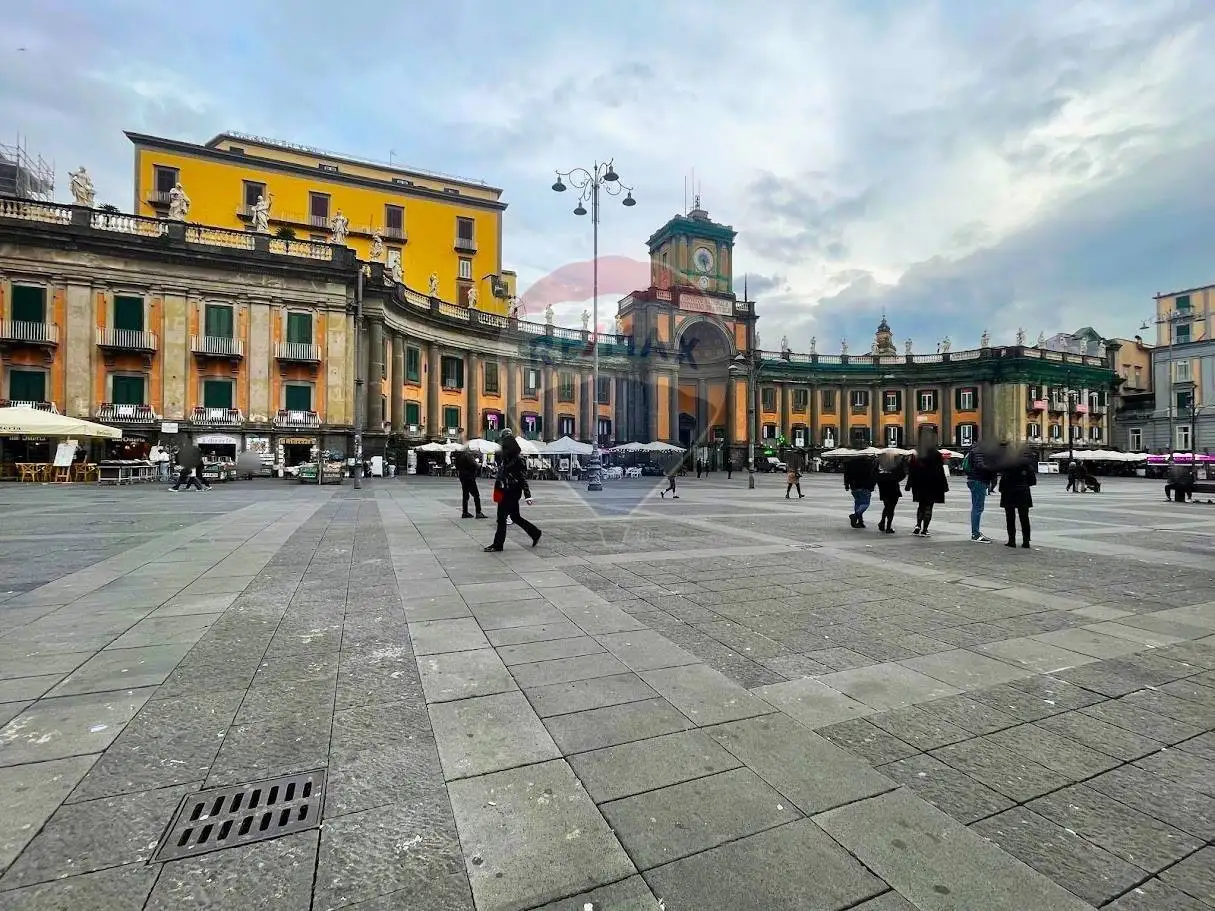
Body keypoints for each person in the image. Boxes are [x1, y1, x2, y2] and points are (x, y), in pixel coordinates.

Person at [485, 429, 541, 551]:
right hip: (506, 490)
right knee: (515, 517)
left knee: (501, 518)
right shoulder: (506, 459)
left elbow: (522, 478)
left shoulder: (517, 460)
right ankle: (535, 533)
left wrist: (528, 495)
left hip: (511, 492)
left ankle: (498, 544)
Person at [906, 438, 947, 537]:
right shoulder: (937, 454)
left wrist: (909, 484)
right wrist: (944, 486)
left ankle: (918, 525)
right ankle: (925, 529)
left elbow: (912, 471)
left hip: (919, 484)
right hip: (933, 484)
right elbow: (941, 472)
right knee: (929, 506)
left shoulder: (918, 455)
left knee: (921, 505)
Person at [1000, 449, 1037, 548]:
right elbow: (1033, 481)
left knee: (1010, 517)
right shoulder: (1027, 466)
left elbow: (1003, 479)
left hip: (1009, 492)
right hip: (1023, 492)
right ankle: (1026, 541)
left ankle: (1012, 541)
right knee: (1024, 518)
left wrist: (1002, 489)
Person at [963, 442, 998, 543]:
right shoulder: (980, 452)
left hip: (974, 480)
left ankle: (976, 533)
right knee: (978, 508)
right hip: (979, 480)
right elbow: (980, 466)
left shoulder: (974, 450)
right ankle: (975, 534)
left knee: (977, 507)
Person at [843, 455, 879, 528]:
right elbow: (874, 476)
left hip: (854, 486)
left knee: (858, 503)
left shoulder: (850, 463)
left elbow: (846, 475)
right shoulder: (869, 464)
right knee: (865, 503)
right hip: (865, 486)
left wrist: (846, 485)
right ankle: (855, 516)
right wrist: (873, 485)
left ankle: (860, 522)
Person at [876, 452, 906, 534]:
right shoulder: (896, 463)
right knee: (891, 507)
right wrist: (895, 479)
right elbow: (902, 474)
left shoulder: (878, 462)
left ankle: (882, 522)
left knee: (887, 505)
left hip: (883, 486)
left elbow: (873, 473)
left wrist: (880, 480)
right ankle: (888, 526)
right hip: (893, 486)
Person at [454, 445, 487, 519]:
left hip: (462, 477)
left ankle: (465, 512)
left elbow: (457, 467)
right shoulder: (468, 455)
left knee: (465, 496)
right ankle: (478, 512)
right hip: (469, 477)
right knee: (476, 495)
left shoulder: (459, 456)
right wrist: (478, 464)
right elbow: (475, 465)